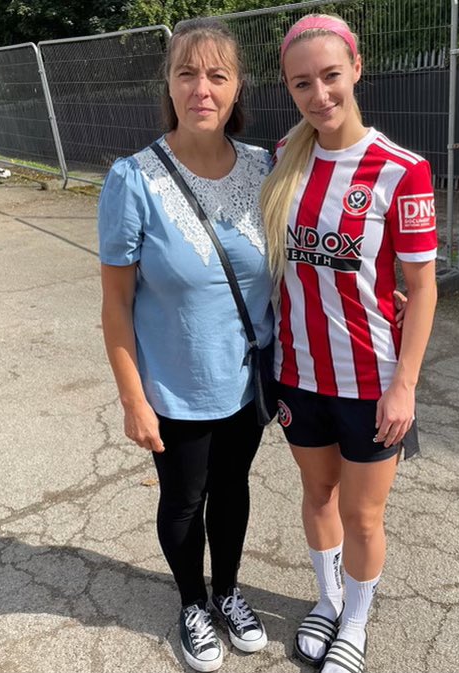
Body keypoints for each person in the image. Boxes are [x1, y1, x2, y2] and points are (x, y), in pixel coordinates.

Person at [260, 14, 438, 673]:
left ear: (356, 69)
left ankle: (355, 623)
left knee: (364, 517)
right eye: (301, 82)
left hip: (371, 382)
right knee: (317, 496)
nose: (319, 94)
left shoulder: (401, 170)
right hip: (298, 375)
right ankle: (328, 599)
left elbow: (421, 290)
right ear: (288, 87)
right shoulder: (283, 158)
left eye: (330, 76)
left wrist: (405, 384)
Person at [97, 18, 272, 673]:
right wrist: (132, 396)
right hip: (175, 384)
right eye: (187, 73)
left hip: (250, 378)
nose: (202, 87)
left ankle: (227, 591)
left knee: (233, 488)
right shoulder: (133, 179)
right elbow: (114, 303)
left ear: (235, 89)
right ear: (168, 84)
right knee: (184, 498)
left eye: (217, 74)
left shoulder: (266, 168)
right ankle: (193, 602)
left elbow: (307, 258)